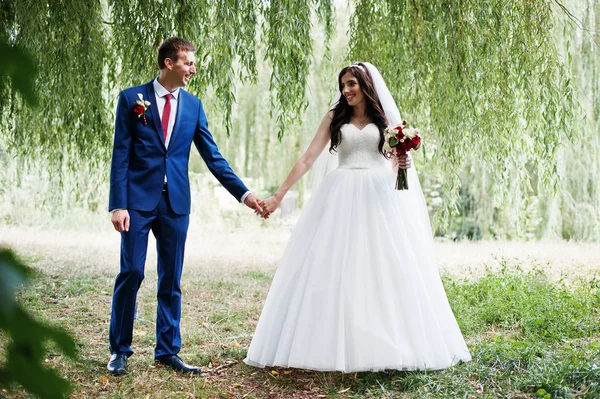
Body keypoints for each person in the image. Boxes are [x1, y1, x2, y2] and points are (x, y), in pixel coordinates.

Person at [244, 62, 471, 372]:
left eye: (351, 84)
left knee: (384, 264)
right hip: (340, 192)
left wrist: (401, 161)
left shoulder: (385, 121)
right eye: (343, 85)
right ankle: (330, 339)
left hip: (378, 196)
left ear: (365, 85)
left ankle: (388, 342)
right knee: (334, 264)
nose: (346, 90)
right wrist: (278, 195)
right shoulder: (335, 118)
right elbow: (308, 157)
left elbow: (392, 162)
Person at [107, 37, 264, 375]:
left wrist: (244, 194)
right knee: (131, 272)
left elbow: (213, 157)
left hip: (175, 203)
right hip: (136, 202)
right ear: (169, 63)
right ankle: (119, 350)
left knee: (171, 278)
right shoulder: (132, 99)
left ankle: (167, 351)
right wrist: (118, 205)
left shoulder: (193, 106)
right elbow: (120, 155)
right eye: (188, 63)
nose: (193, 69)